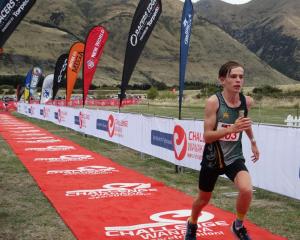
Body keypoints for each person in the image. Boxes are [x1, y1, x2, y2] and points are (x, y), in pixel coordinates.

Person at [185, 61, 260, 240]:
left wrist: (253, 141)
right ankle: (192, 222)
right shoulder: (214, 102)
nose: (238, 81)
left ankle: (238, 225)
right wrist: (230, 129)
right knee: (203, 200)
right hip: (213, 158)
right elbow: (207, 136)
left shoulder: (246, 101)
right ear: (222, 80)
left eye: (241, 77)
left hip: (234, 157)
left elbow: (244, 123)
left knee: (247, 189)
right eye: (233, 76)